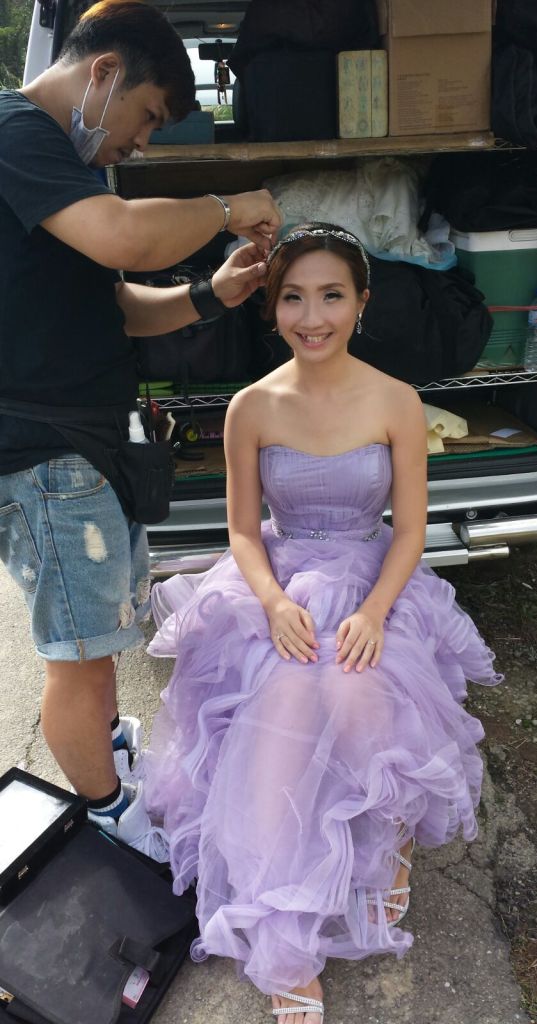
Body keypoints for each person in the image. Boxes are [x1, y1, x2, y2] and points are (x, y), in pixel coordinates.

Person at [143, 223, 503, 1021]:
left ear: (361, 302)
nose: (313, 317)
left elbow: (410, 532)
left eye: (331, 296)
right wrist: (274, 603)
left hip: (374, 578)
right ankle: (284, 926)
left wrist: (374, 612)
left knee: (359, 692)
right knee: (282, 707)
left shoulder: (396, 400)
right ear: (271, 308)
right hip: (280, 580)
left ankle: (391, 835)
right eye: (294, 298)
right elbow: (242, 532)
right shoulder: (251, 407)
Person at [0, 0, 281, 858]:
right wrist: (230, 205)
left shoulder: (66, 167)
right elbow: (123, 240)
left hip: (91, 445)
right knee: (79, 655)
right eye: (148, 116)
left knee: (105, 632)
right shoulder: (15, 134)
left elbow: (115, 304)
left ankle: (107, 754)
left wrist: (209, 295)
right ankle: (107, 815)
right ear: (104, 73)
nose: (143, 143)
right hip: (46, 453)